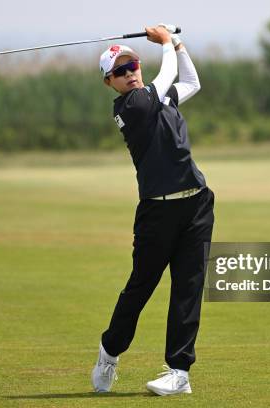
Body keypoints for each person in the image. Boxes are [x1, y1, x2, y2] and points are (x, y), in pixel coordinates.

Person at [91, 24, 215, 396]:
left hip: (196, 204)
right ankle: (109, 354)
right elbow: (169, 75)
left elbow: (190, 81)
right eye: (120, 72)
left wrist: (177, 42)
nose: (129, 74)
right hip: (157, 213)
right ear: (109, 82)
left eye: (132, 67)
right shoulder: (132, 106)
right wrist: (164, 43)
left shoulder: (159, 98)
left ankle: (179, 372)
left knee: (188, 289)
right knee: (140, 288)